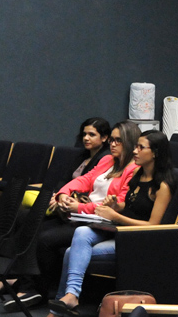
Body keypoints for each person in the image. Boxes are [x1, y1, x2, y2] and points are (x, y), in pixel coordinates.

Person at [36, 131, 175, 317]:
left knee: (69, 252)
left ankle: (58, 312)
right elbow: (127, 206)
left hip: (137, 240)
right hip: (118, 229)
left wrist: (116, 216)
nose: (134, 151)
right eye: (135, 146)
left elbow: (153, 226)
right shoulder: (137, 176)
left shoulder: (162, 186)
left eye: (140, 148)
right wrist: (114, 206)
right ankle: (72, 296)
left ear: (155, 153)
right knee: (82, 232)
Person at [28, 121, 141, 307]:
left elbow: (115, 205)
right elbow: (85, 180)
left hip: (101, 222)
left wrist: (78, 208)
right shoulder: (108, 160)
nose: (112, 144)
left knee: (46, 239)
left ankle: (43, 291)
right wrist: (63, 195)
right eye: (111, 140)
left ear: (130, 142)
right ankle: (30, 286)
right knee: (37, 227)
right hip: (83, 216)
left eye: (118, 141)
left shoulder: (133, 170)